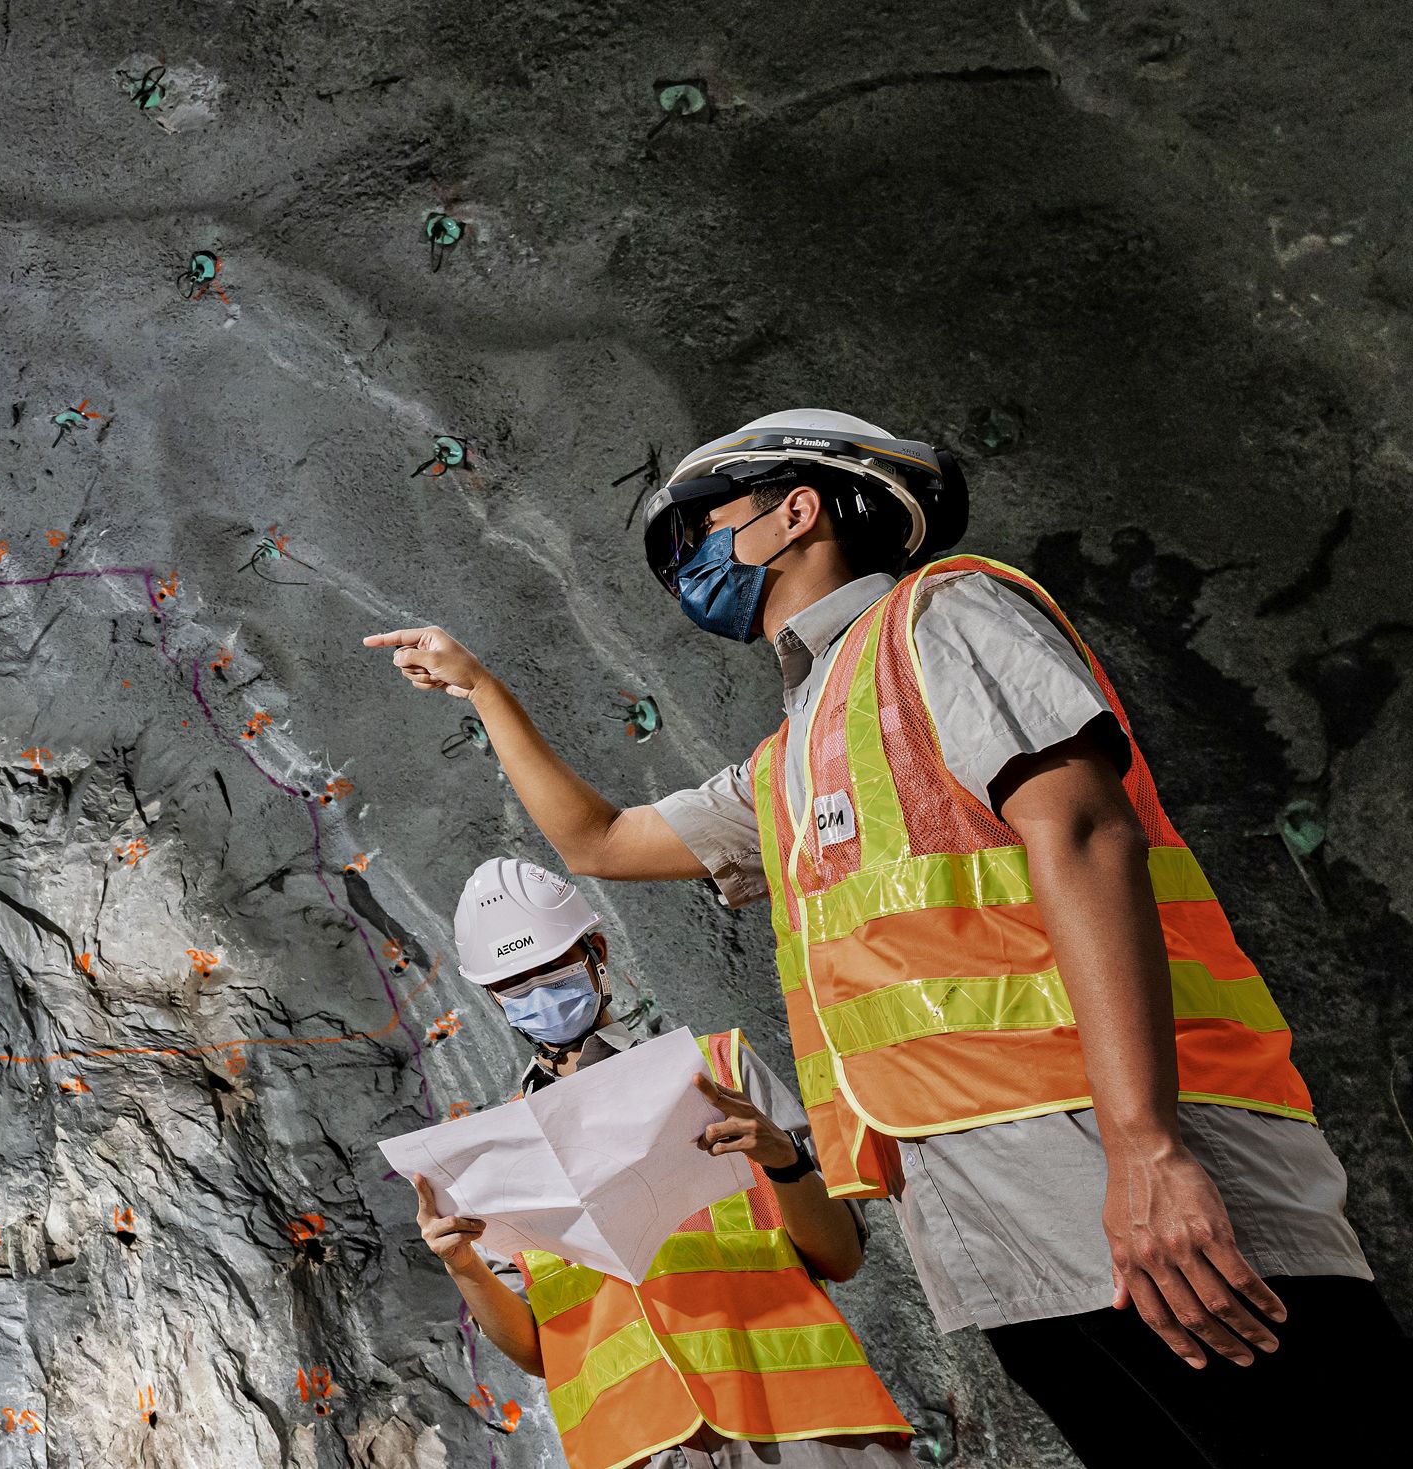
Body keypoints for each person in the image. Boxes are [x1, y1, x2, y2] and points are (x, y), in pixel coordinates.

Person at [364, 409, 1407, 1467]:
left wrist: (1144, 1144)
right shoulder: (787, 758)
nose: (686, 560)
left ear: (794, 512)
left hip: (1111, 1149)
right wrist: (480, 688)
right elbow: (600, 840)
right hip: (983, 1212)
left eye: (699, 526)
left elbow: (1084, 832)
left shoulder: (942, 616)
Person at [410, 854, 917, 1468]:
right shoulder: (498, 1153)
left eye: (552, 969)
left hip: (802, 1426)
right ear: (492, 997)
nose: (537, 993)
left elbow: (841, 1257)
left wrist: (784, 1161)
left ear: (596, 950)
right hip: (640, 1448)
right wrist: (462, 1263)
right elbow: (537, 1354)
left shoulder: (718, 1072)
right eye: (515, 985)